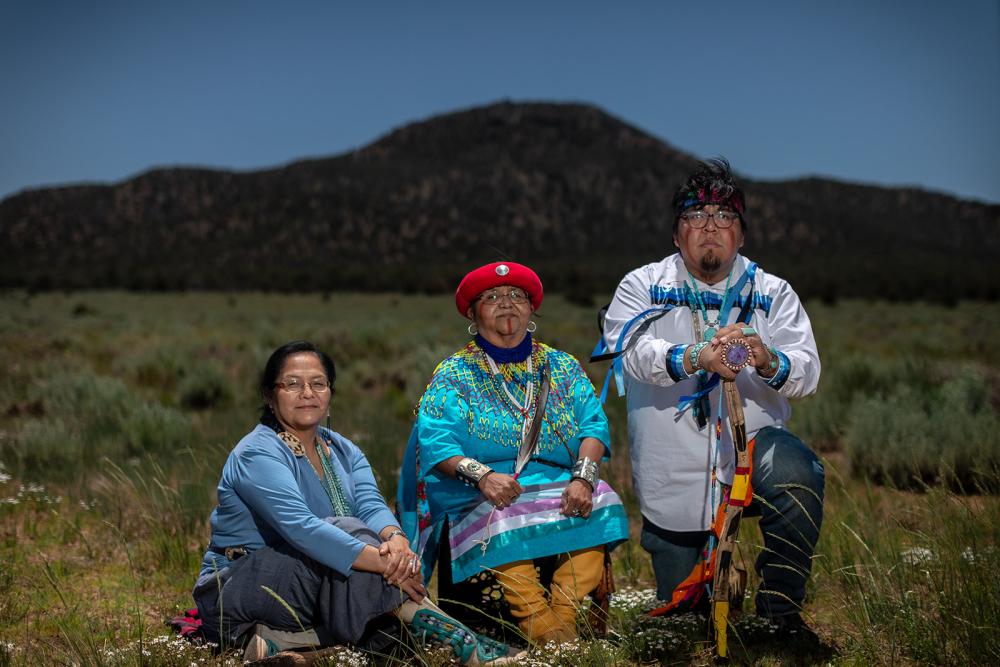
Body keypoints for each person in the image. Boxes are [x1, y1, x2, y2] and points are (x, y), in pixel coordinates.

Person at [601, 158, 824, 639]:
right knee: (683, 624)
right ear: (676, 234)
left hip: (752, 448)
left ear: (742, 235)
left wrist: (768, 360)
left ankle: (779, 614)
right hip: (671, 464)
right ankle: (694, 599)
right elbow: (629, 351)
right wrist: (694, 356)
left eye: (724, 217)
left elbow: (807, 371)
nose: (709, 228)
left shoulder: (772, 292)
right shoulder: (641, 285)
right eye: (695, 217)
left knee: (796, 473)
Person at [192, 340, 520, 664]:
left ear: (330, 393)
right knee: (351, 533)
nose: (307, 392)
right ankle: (467, 646)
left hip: (315, 584)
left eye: (318, 383)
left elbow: (371, 506)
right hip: (242, 588)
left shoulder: (343, 449)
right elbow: (302, 529)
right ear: (269, 394)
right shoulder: (257, 452)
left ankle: (287, 645)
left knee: (384, 611)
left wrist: (397, 542)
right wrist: (386, 564)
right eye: (292, 383)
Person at [398, 262, 630, 646]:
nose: (506, 303)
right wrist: (483, 477)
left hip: (554, 481)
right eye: (491, 297)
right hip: (478, 487)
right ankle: (546, 628)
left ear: (531, 310)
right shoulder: (454, 373)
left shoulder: (561, 366)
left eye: (516, 296)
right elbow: (436, 442)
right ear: (473, 315)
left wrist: (582, 479)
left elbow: (594, 426)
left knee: (604, 499)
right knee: (501, 516)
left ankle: (563, 613)